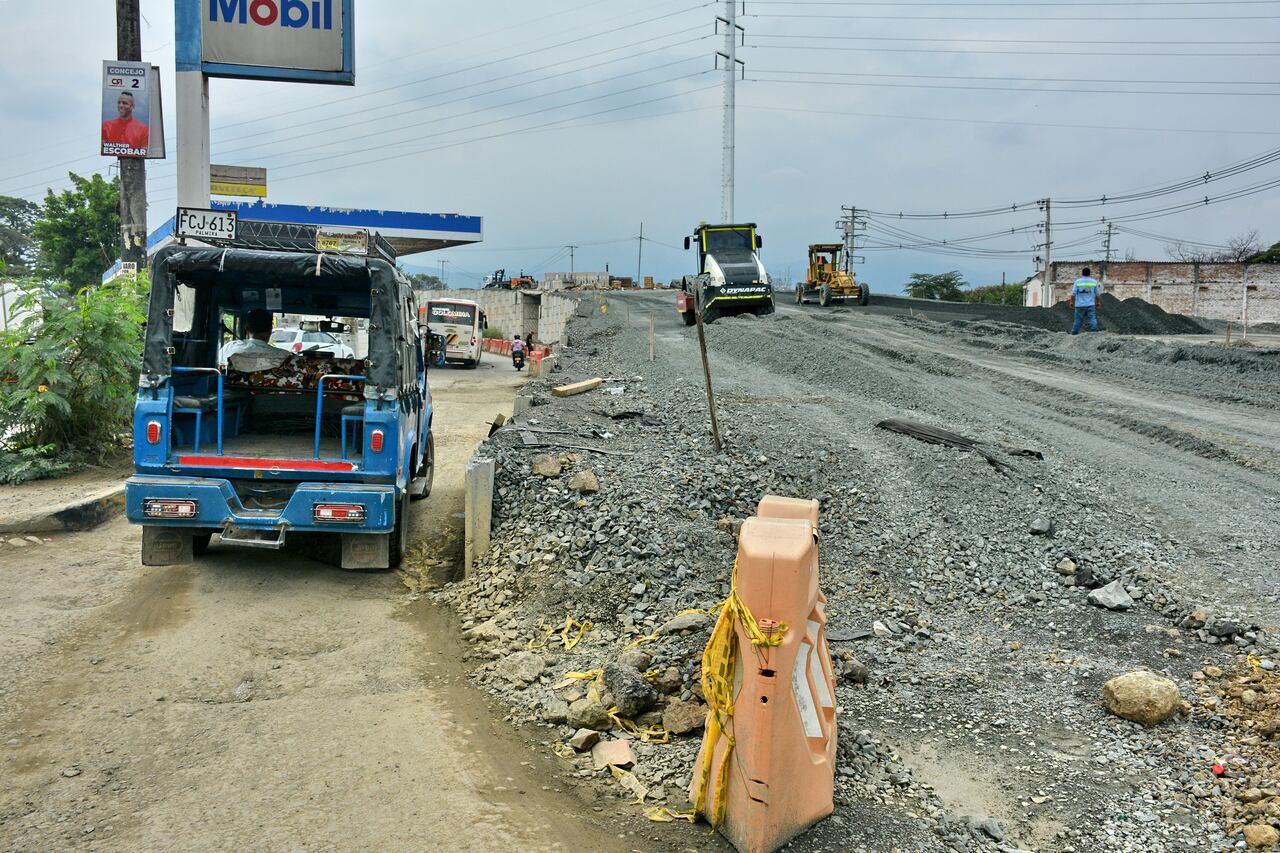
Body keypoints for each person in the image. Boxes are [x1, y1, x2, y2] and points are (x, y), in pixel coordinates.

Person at [1070, 266, 1101, 335]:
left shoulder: (1078, 282)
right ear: (1089, 274)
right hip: (1090, 305)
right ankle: (1095, 332)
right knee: (1092, 319)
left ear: (1082, 274)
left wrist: (1071, 302)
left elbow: (1073, 294)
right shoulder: (1094, 282)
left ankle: (1074, 333)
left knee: (1078, 320)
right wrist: (1098, 302)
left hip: (1079, 305)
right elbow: (1097, 294)